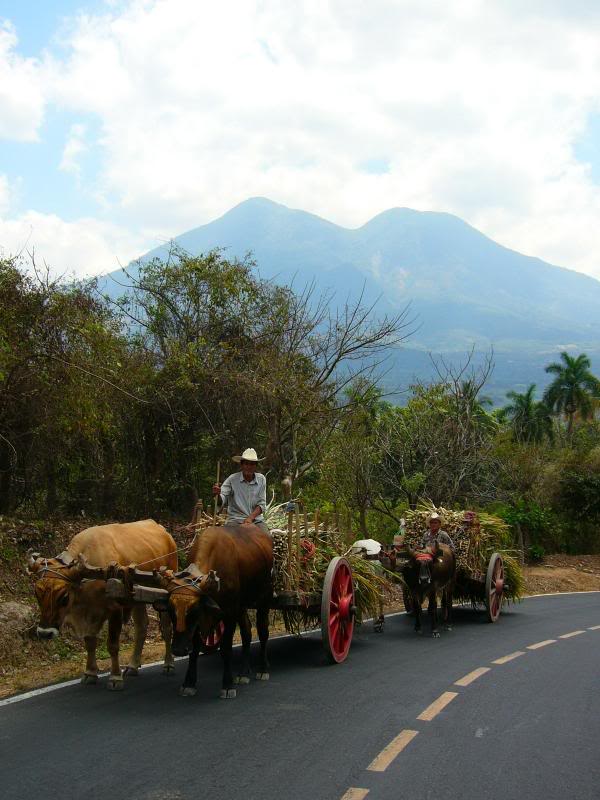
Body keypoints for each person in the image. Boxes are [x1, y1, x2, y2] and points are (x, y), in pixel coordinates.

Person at [212, 448, 270, 535]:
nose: (249, 467)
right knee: (225, 540)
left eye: (252, 464)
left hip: (256, 520)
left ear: (255, 466)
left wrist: (250, 518)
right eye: (246, 464)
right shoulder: (232, 479)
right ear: (241, 465)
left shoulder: (261, 479)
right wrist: (217, 493)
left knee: (268, 539)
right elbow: (222, 498)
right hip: (235, 520)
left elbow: (261, 504)